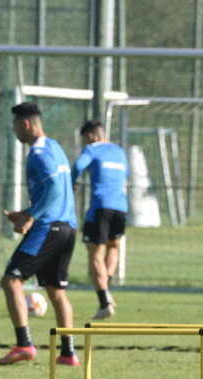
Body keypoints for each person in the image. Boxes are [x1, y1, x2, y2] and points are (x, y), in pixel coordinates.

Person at [0, 102, 79, 367]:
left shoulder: (38, 153)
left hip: (48, 227)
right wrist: (26, 211)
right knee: (56, 291)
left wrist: (31, 218)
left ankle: (24, 345)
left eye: (14, 125)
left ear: (25, 123)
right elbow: (56, 191)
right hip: (67, 227)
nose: (14, 131)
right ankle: (68, 353)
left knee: (11, 281)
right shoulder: (55, 147)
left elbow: (54, 188)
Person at [71, 119, 129, 320]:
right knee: (113, 247)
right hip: (121, 208)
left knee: (95, 255)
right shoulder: (119, 152)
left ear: (91, 136)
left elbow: (78, 166)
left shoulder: (92, 149)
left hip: (100, 207)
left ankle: (104, 302)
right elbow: (126, 175)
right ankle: (106, 288)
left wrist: (72, 181)